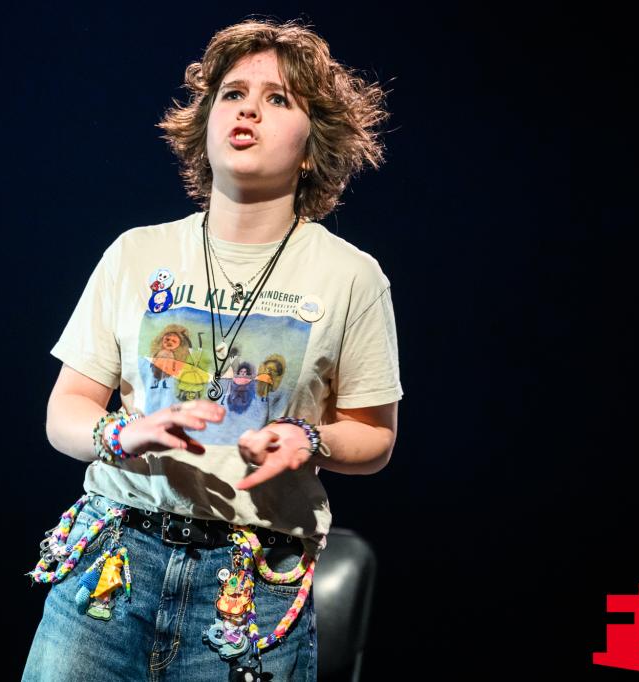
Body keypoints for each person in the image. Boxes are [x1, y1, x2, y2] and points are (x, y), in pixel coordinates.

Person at [23, 18, 403, 682]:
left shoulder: (351, 276)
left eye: (278, 98)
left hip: (250, 588)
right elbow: (66, 411)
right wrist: (123, 433)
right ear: (204, 124)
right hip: (112, 568)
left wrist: (310, 439)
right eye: (232, 94)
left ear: (311, 147)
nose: (248, 109)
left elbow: (375, 437)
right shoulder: (136, 253)